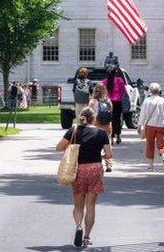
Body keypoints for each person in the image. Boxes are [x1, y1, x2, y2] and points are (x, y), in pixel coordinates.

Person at [56, 107, 112, 248]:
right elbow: (109, 154)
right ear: (94, 119)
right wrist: (101, 156)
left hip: (78, 169)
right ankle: (87, 237)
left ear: (81, 117)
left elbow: (59, 147)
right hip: (95, 169)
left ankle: (79, 226)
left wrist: (72, 146)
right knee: (91, 206)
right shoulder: (101, 133)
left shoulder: (74, 130)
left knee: (78, 205)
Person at [137, 82, 164, 172]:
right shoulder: (163, 101)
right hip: (162, 125)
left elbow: (143, 114)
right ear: (159, 90)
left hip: (150, 125)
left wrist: (140, 124)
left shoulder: (147, 101)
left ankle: (150, 166)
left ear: (150, 91)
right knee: (162, 143)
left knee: (150, 144)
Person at [88, 84, 115, 172]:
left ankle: (96, 163)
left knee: (95, 145)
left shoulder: (92, 101)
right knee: (107, 145)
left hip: (96, 125)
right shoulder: (108, 101)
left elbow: (89, 114)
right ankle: (109, 164)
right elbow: (111, 112)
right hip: (107, 125)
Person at [103, 66, 128, 144]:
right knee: (117, 119)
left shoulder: (104, 81)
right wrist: (123, 96)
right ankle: (118, 136)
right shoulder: (119, 80)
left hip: (107, 103)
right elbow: (123, 91)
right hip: (117, 102)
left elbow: (102, 92)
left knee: (109, 120)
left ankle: (111, 137)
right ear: (115, 73)